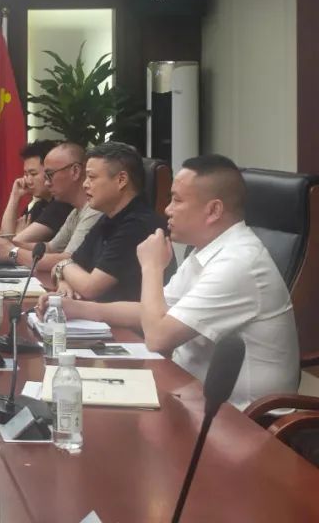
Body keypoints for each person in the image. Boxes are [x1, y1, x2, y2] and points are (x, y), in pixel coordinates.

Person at [39, 154, 298, 408]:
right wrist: (77, 309)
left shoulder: (238, 263)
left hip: (242, 417)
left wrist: (151, 266)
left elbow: (158, 337)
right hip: (188, 392)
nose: (167, 210)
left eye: (177, 200)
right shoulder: (207, 250)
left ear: (213, 210)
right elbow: (154, 310)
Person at [52, 141, 168, 302]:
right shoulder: (108, 217)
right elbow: (73, 264)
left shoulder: (138, 225)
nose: (85, 185)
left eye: (92, 177)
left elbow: (91, 288)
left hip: (130, 318)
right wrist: (64, 280)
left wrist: (62, 266)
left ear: (121, 180)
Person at [0, 141, 101, 272]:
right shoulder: (75, 212)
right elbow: (50, 248)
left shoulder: (95, 210)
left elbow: (69, 261)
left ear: (75, 171)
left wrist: (12, 252)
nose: (47, 183)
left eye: (50, 175)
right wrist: (8, 243)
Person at [0, 139, 73, 241]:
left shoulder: (61, 205)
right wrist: (15, 196)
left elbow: (8, 243)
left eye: (33, 174)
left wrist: (16, 235)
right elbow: (5, 236)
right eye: (26, 174)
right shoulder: (39, 206)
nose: (28, 181)